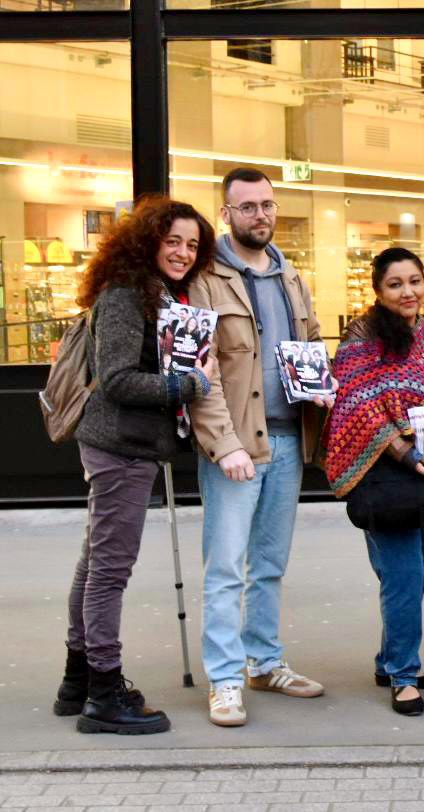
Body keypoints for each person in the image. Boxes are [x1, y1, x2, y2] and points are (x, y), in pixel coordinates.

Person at [62, 197, 216, 735]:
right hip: (120, 446)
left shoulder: (155, 293)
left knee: (94, 559)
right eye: (172, 241)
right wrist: (192, 383)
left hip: (122, 445)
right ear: (147, 240)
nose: (182, 252)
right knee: (110, 569)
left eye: (192, 244)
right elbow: (120, 379)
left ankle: (76, 678)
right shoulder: (128, 295)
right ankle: (104, 693)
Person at [188, 167, 331, 727]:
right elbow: (198, 374)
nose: (260, 215)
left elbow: (312, 340)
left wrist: (323, 382)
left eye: (267, 205)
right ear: (226, 213)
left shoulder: (290, 276)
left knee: (268, 564)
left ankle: (264, 662)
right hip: (236, 446)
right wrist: (224, 445)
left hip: (289, 437)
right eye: (247, 206)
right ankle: (225, 679)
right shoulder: (206, 280)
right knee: (225, 567)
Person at [324, 247, 424, 716]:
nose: (407, 292)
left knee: (418, 576)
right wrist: (404, 450)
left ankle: (389, 659)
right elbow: (357, 406)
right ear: (378, 290)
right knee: (403, 577)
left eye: (415, 281)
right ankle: (403, 675)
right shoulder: (360, 340)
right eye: (395, 284)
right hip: (384, 475)